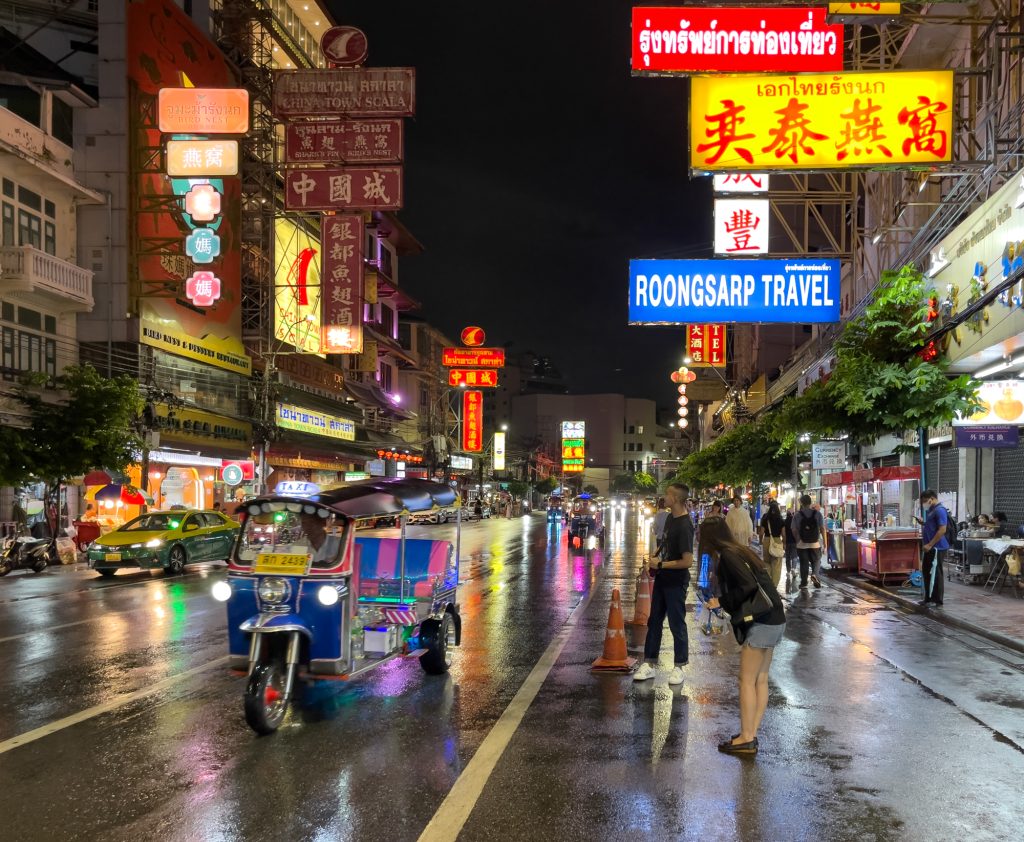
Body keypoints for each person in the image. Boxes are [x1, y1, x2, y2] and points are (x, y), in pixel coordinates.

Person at [701, 515, 785, 756]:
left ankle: (747, 737)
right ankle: (750, 733)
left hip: (762, 621)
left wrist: (721, 601)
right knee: (760, 679)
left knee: (746, 680)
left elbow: (746, 586)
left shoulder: (727, 556)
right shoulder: (741, 550)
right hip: (775, 617)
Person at [634, 482, 694, 686]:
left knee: (677, 624)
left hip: (676, 582)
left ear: (676, 498)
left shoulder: (685, 525)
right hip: (662, 578)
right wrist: (654, 558)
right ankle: (649, 664)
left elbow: (687, 561)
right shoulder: (670, 518)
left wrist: (661, 563)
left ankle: (679, 667)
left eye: (668, 494)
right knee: (654, 621)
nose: (664, 497)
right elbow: (665, 544)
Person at [919, 489, 949, 607]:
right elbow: (932, 527)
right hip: (930, 547)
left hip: (937, 547)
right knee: (927, 572)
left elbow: (942, 529)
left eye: (926, 501)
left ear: (932, 498)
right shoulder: (932, 510)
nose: (925, 504)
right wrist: (923, 524)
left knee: (936, 573)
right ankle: (928, 598)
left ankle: (938, 600)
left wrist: (930, 544)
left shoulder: (940, 510)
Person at [791, 494, 827, 589]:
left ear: (801, 503)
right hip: (815, 543)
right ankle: (815, 574)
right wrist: (825, 543)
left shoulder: (797, 515)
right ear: (810, 503)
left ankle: (803, 583)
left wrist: (797, 539)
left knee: (804, 563)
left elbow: (793, 529)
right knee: (817, 560)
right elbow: (822, 528)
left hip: (802, 544)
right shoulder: (818, 514)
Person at [758, 500, 786, 587]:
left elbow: (761, 532)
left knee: (766, 562)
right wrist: (784, 543)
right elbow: (784, 534)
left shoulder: (765, 518)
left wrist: (760, 541)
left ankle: (768, 582)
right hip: (777, 541)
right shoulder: (781, 520)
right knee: (776, 564)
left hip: (767, 540)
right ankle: (774, 585)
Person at [782, 506, 799, 586]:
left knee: (788, 557)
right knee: (794, 556)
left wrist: (783, 542)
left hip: (787, 541)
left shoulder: (785, 522)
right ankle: (794, 568)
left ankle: (788, 571)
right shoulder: (795, 521)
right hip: (794, 541)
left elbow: (783, 533)